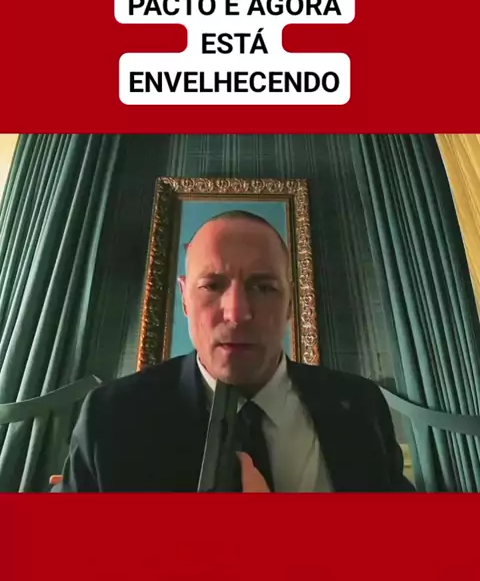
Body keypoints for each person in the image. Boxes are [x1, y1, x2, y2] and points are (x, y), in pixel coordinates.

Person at [59, 210, 415, 493]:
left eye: (264, 287)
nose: (237, 312)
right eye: (212, 285)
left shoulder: (361, 406)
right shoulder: (111, 419)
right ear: (185, 298)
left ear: (291, 302)